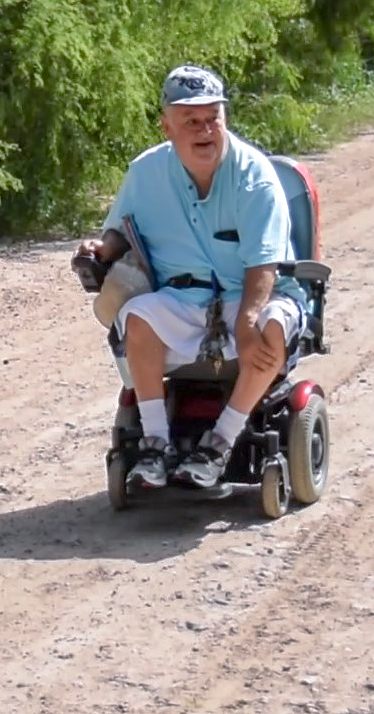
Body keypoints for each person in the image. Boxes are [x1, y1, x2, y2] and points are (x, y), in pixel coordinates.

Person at [76, 65, 305, 489]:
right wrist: (101, 250)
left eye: (212, 118)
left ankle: (220, 442)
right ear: (167, 126)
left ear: (225, 119)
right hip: (183, 299)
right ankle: (156, 444)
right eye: (191, 121)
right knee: (139, 316)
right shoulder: (145, 173)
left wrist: (247, 320)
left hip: (253, 293)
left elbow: (264, 266)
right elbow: (120, 230)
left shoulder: (255, 177)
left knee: (271, 324)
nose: (204, 130)